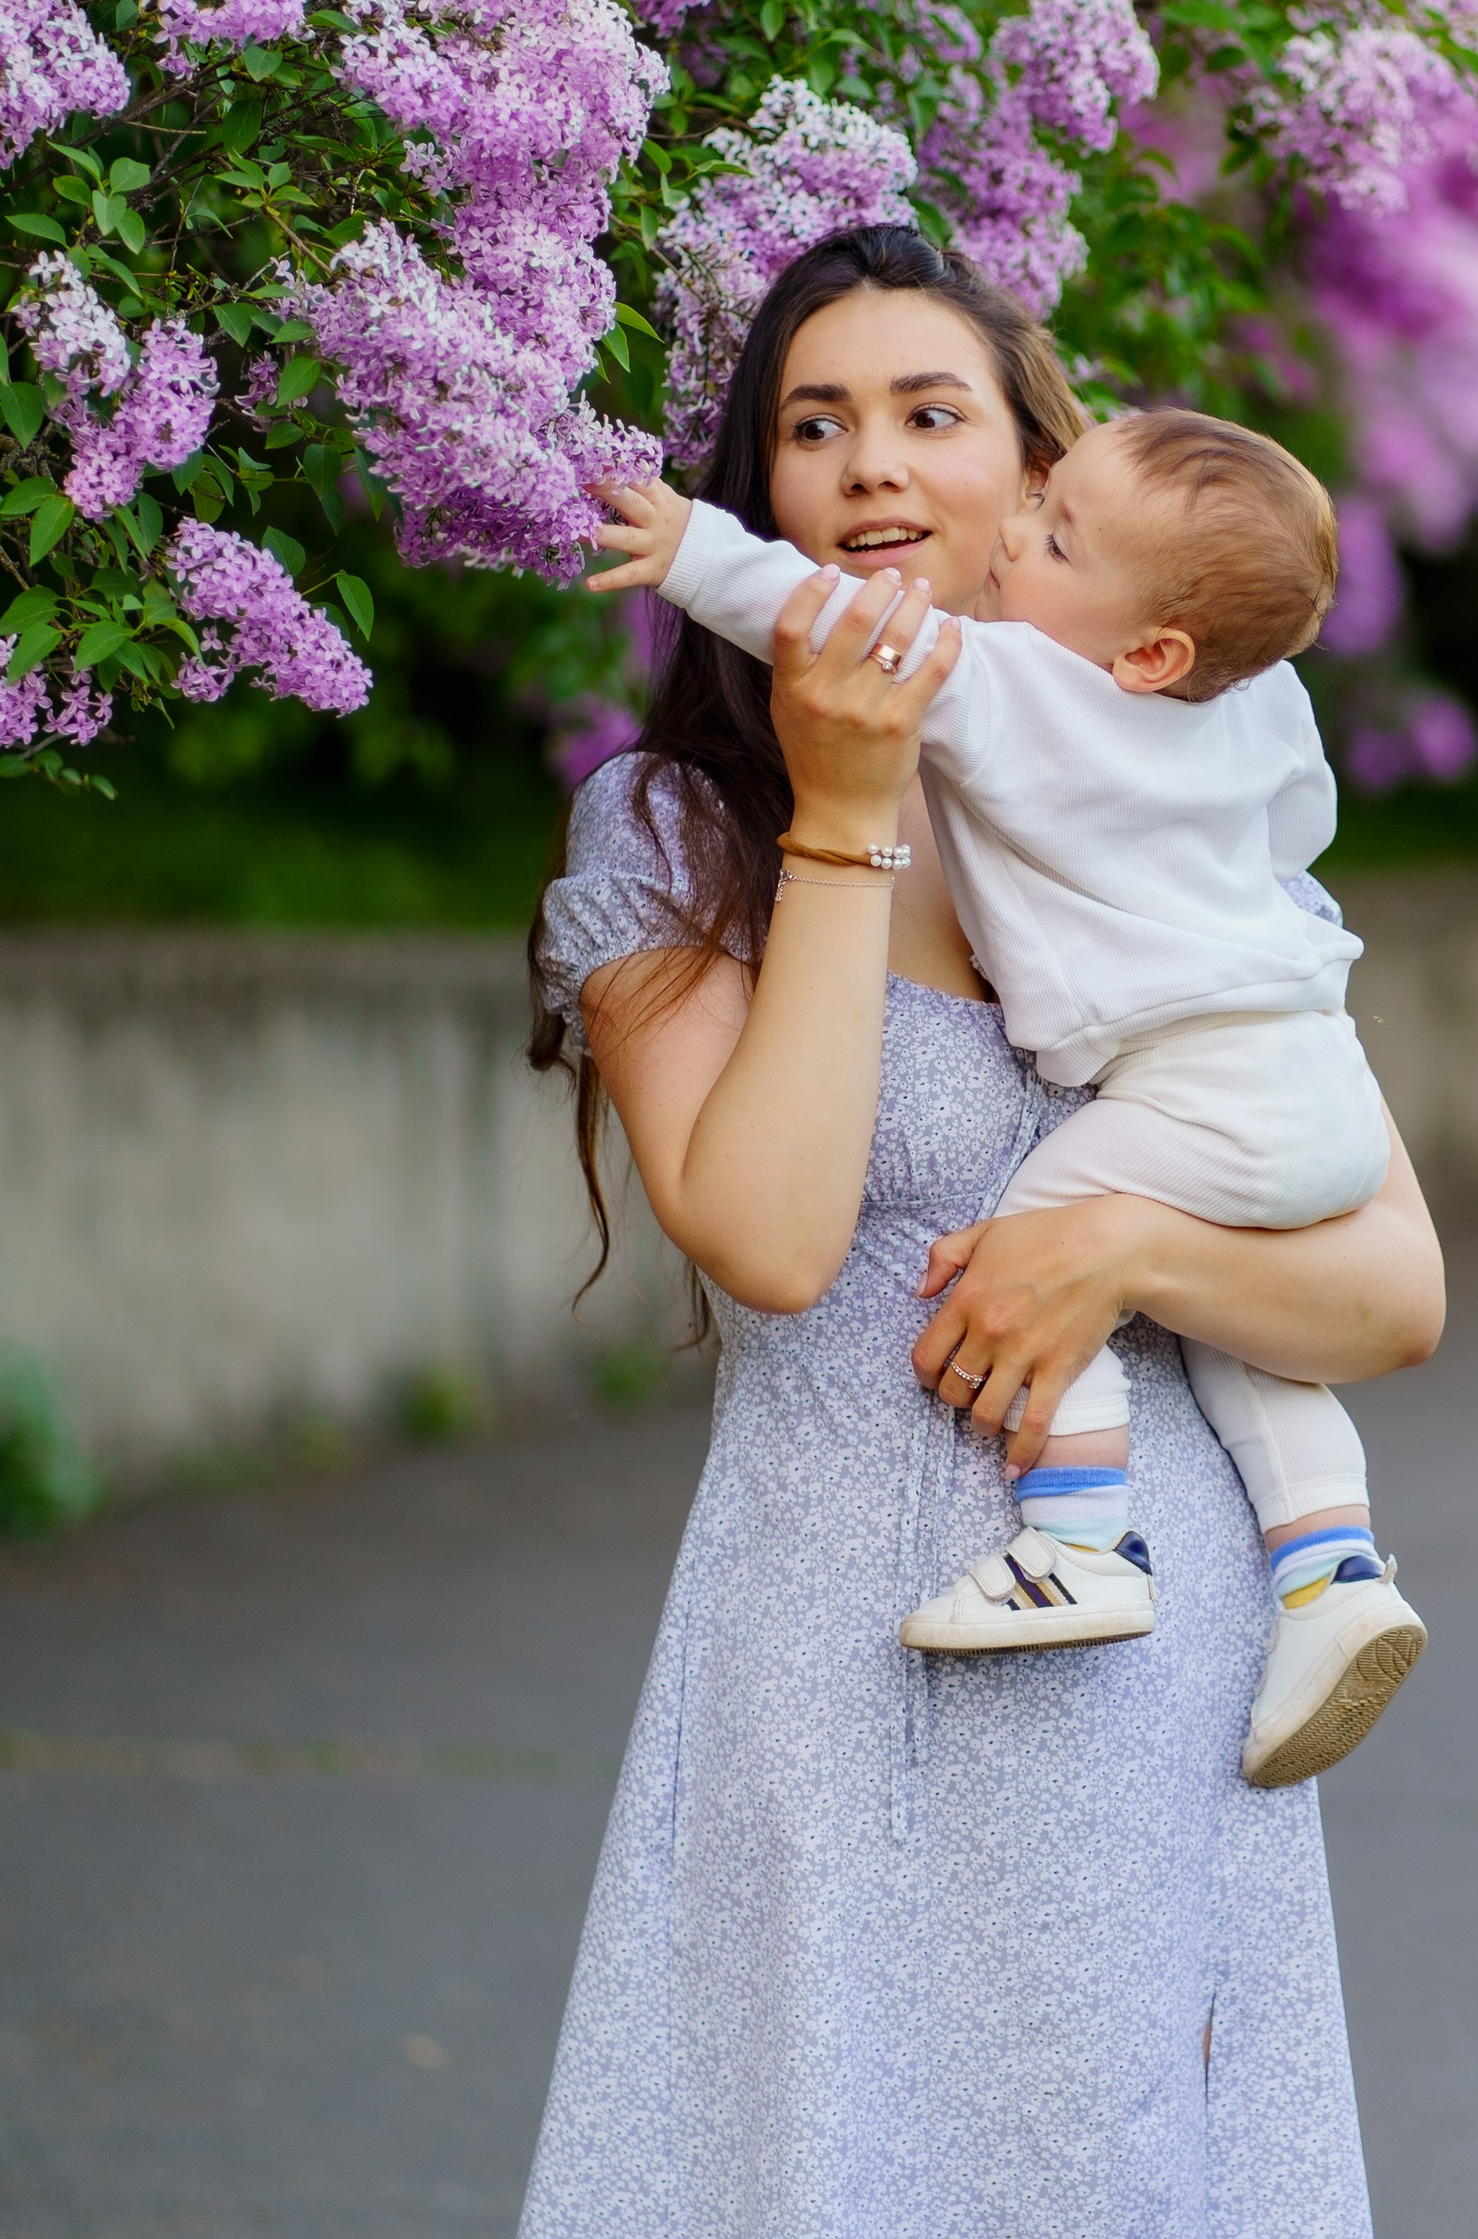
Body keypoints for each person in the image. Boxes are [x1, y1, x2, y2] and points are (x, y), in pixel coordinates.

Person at [512, 222, 1445, 2239]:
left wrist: (1117, 1252)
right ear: (764, 497)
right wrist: (843, 805)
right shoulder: (666, 844)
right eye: (810, 427)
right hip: (854, 1653)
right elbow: (776, 1230)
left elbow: (1385, 1287)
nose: (866, 469)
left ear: (1038, 467)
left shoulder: (1151, 808)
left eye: (928, 412)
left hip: (1152, 1685)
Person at [585, 402, 1429, 1790]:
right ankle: (1334, 1565)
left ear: (1149, 648)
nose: (1021, 538)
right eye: (815, 423)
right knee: (1245, 1344)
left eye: (1051, 528)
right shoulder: (1257, 693)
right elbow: (1299, 824)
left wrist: (686, 550)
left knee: (1039, 1228)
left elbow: (815, 615)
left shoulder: (1017, 685)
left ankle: (1079, 1538)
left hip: (1200, 1079)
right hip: (1300, 1060)